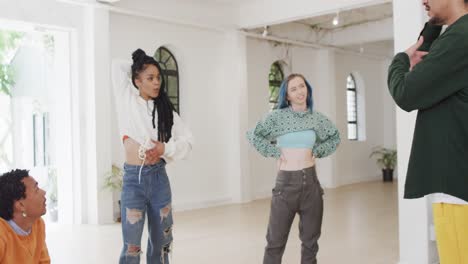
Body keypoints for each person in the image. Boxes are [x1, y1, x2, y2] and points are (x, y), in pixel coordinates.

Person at [387, 0, 468, 263]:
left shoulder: (460, 37)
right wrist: (431, 31)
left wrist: (400, 60)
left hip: (457, 190)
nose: (423, 1)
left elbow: (406, 93)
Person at [247, 73, 340, 264]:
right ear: (287, 96)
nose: (299, 91)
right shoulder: (277, 117)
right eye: (294, 89)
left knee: (310, 244)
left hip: (311, 185)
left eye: (302, 86)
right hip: (285, 187)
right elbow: (253, 135)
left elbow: (335, 137)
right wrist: (273, 152)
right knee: (274, 243)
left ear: (308, 89)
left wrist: (319, 150)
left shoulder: (316, 118)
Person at [111, 49, 193, 264]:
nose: (156, 83)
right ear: (137, 81)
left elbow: (188, 142)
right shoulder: (125, 98)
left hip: (158, 179)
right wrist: (139, 63)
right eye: (150, 78)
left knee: (162, 242)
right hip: (133, 180)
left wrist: (164, 149)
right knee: (132, 246)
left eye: (158, 78)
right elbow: (116, 65)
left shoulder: (166, 111)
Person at [0, 169, 50, 264]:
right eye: (36, 190)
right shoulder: (2, 236)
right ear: (20, 205)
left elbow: (44, 261)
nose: (43, 192)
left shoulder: (38, 223)